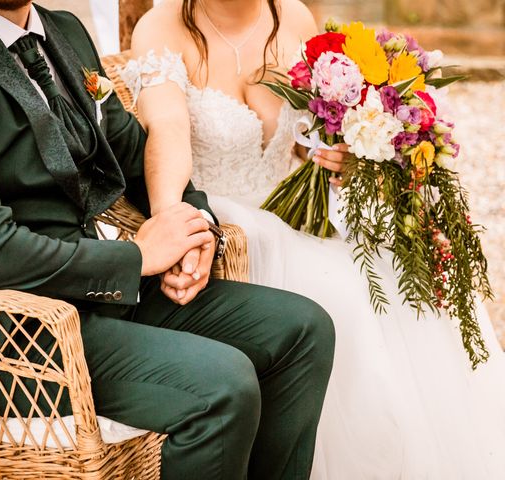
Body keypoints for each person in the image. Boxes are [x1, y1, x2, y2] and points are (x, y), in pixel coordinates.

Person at [0, 0, 335, 478]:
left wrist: (193, 226)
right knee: (222, 386)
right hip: (6, 334)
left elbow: (131, 150)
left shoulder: (64, 30)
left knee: (302, 331)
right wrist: (137, 258)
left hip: (98, 292)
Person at [123, 0, 505, 478]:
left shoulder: (295, 18)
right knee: (344, 293)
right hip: (225, 218)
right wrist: (172, 222)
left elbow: (308, 140)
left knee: (402, 271)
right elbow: (168, 129)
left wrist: (345, 154)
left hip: (295, 212)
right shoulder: (163, 26)